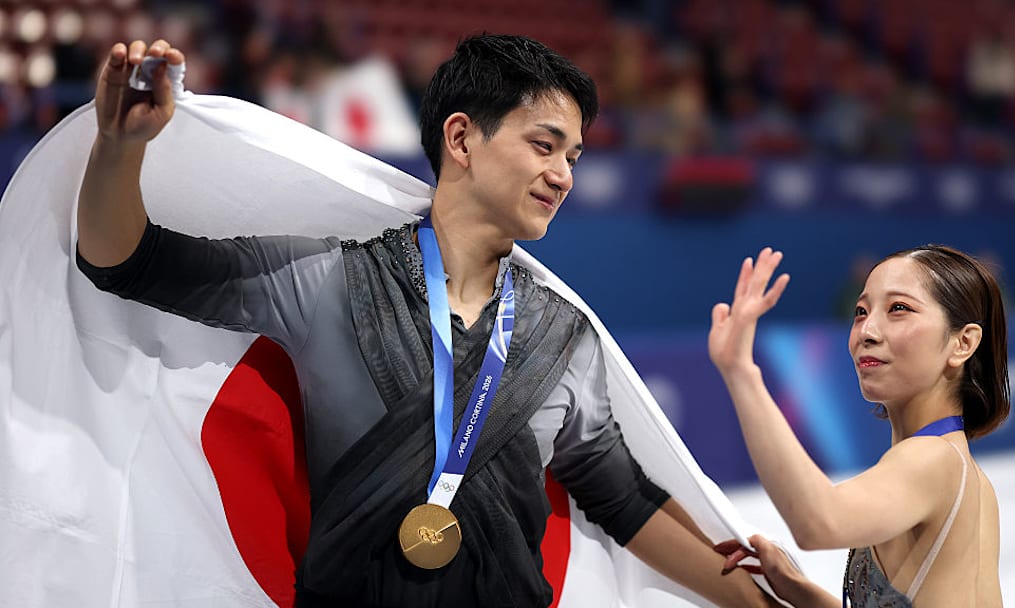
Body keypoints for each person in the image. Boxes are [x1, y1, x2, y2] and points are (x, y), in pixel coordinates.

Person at [75, 35, 780, 607]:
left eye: (573, 156)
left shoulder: (563, 337)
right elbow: (124, 262)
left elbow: (625, 500)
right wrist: (119, 146)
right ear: (462, 139)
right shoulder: (328, 281)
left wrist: (765, 606)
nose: (564, 174)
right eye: (544, 145)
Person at [709, 246, 1008, 607]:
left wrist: (741, 371)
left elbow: (819, 522)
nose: (867, 330)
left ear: (963, 343)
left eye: (899, 309)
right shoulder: (957, 467)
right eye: (861, 311)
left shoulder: (935, 459)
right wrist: (798, 589)